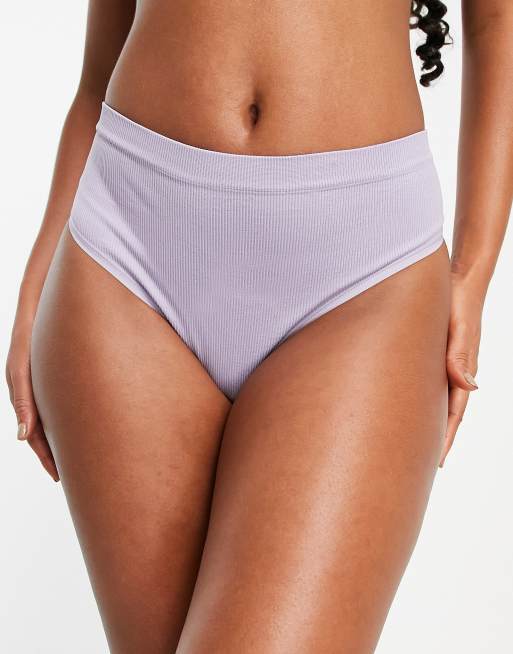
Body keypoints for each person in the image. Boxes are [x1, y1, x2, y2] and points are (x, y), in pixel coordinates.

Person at [6, 1, 513, 652]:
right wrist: (39, 274)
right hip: (125, 256)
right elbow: (97, 75)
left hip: (360, 277)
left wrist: (472, 270)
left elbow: (497, 21)